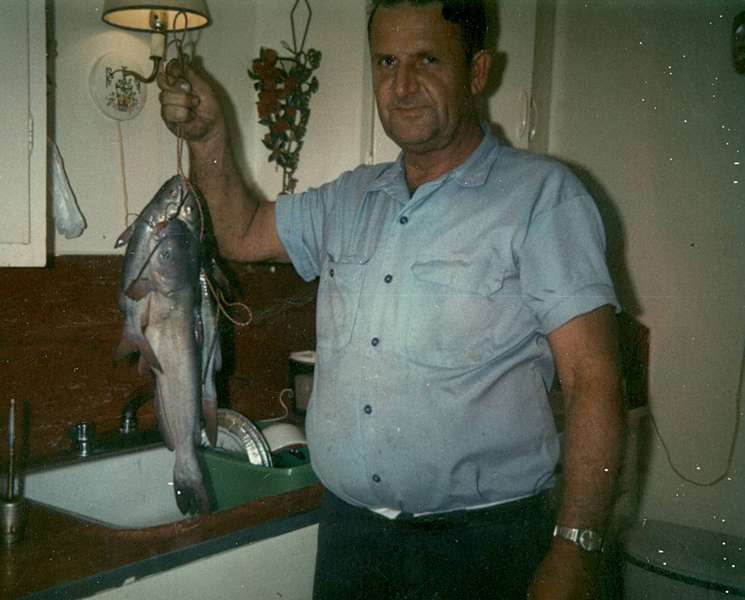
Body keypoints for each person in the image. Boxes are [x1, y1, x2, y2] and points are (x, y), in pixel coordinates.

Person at [158, 1, 624, 598]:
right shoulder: (348, 197)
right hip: (352, 539)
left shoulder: (543, 197)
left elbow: (593, 380)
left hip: (483, 549)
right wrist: (209, 136)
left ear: (477, 71)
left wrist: (577, 548)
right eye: (386, 62)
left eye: (427, 60)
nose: (402, 86)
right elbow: (242, 232)